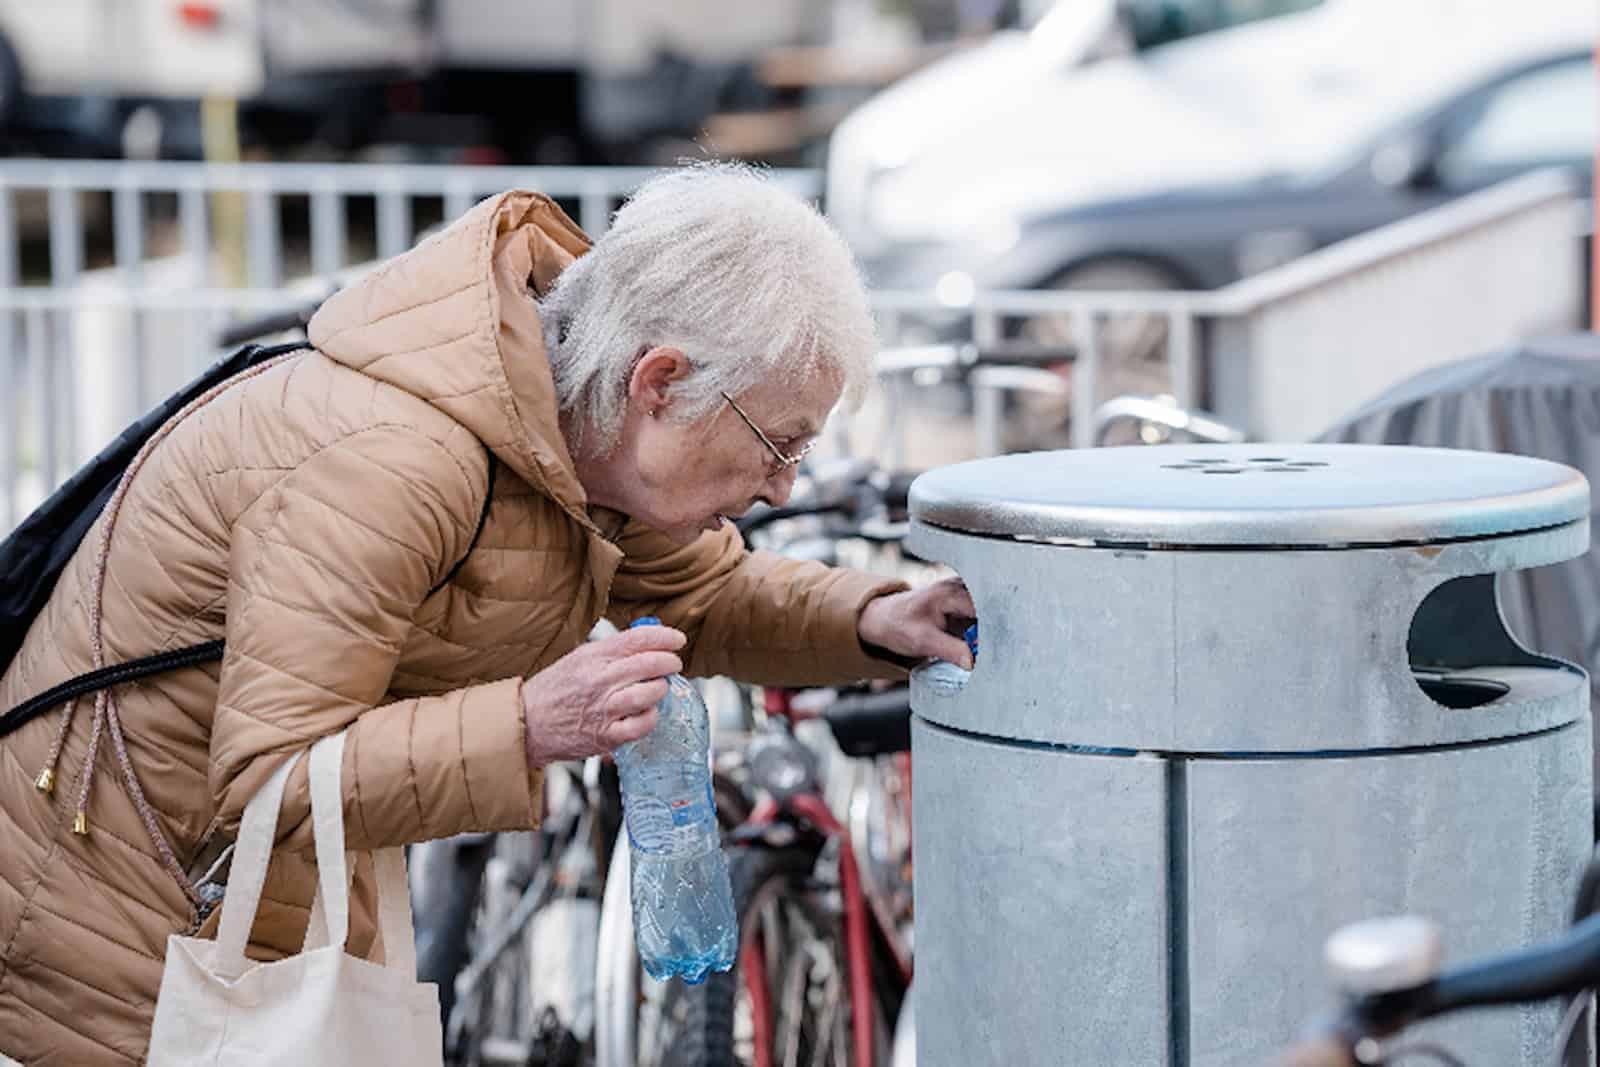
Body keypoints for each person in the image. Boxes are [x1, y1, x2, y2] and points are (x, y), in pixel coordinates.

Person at [0, 162, 975, 1065]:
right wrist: (528, 723)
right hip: (105, 909)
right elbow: (271, 781)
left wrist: (873, 617)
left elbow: (708, 594)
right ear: (660, 381)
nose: (780, 485)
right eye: (778, 442)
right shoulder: (390, 460)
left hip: (244, 901)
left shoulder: (571, 427)